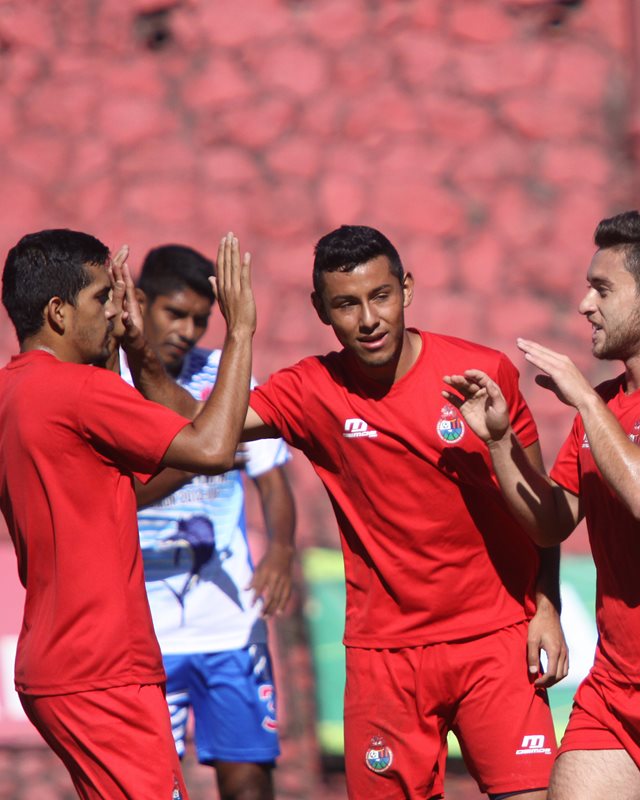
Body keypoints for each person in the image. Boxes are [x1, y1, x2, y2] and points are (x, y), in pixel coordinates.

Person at [126, 225, 567, 800]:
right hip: (385, 657)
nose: (368, 319)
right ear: (321, 311)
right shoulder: (312, 389)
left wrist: (548, 605)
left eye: (380, 296)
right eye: (346, 304)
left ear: (406, 289)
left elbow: (540, 510)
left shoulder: (482, 374)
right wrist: (206, 339)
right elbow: (198, 427)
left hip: (495, 640)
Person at [444, 210, 640, 800]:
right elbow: (552, 521)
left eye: (601, 288)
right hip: (615, 684)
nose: (584, 305)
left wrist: (584, 403)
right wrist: (498, 443)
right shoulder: (605, 402)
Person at [0, 230, 256, 799]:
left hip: (56, 662)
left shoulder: (14, 392)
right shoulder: (80, 391)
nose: (116, 309)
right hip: (104, 666)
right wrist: (240, 330)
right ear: (58, 312)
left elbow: (129, 474)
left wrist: (123, 349)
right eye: (101, 298)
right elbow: (213, 448)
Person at [121, 244, 295, 800]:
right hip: (143, 636)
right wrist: (204, 454)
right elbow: (113, 501)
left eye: (201, 319)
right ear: (140, 303)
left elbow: (271, 478)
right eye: (176, 313)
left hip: (229, 627)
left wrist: (283, 551)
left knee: (248, 787)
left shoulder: (225, 374)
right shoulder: (106, 383)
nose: (190, 330)